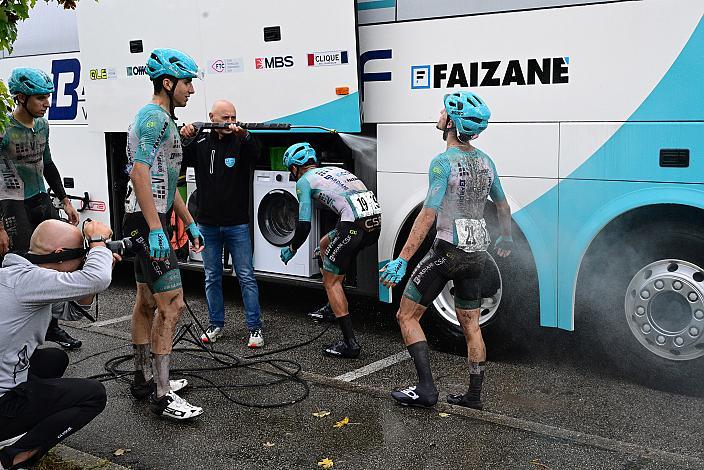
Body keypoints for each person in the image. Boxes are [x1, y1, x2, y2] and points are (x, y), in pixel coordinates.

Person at [379, 91, 513, 410]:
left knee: (406, 315)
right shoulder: (486, 161)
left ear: (451, 123)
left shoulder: (442, 163)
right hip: (477, 252)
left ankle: (426, 390)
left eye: (444, 112)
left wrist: (402, 259)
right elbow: (503, 205)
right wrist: (505, 238)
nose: (439, 114)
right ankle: (474, 396)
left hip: (447, 251)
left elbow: (428, 214)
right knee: (471, 324)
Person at [123, 48, 204, 420]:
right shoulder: (154, 119)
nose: (191, 89)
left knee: (145, 301)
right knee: (172, 303)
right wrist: (156, 228)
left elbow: (166, 182)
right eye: (187, 82)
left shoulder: (163, 119)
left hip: (146, 217)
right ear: (168, 83)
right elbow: (139, 172)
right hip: (146, 221)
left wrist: (187, 220)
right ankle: (162, 393)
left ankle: (142, 378)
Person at [0, 219, 116, 469]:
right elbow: (97, 279)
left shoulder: (18, 274)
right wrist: (98, 244)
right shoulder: (29, 281)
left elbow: (71, 311)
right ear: (61, 255)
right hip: (2, 403)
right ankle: (15, 457)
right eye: (81, 255)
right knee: (93, 395)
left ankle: (19, 429)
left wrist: (97, 263)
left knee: (54, 358)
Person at [0, 67, 82, 351]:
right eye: (40, 98)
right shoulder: (4, 130)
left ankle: (53, 327)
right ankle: (21, 331)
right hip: (12, 205)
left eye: (48, 96)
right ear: (21, 98)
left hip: (40, 200)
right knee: (25, 268)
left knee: (52, 265)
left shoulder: (43, 125)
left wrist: (65, 201)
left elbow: (48, 164)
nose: (47, 103)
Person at [281, 143, 381, 358]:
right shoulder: (335, 171)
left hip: (353, 227)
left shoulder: (304, 181)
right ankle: (330, 307)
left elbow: (304, 224)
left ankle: (350, 344)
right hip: (373, 225)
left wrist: (292, 247)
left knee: (331, 280)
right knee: (325, 244)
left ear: (295, 168)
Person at [180, 100, 265, 347]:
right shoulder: (201, 143)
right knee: (211, 276)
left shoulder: (241, 142)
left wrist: (246, 134)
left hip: (237, 223)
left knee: (246, 276)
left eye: (233, 117)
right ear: (211, 117)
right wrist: (185, 135)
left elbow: (257, 153)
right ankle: (215, 325)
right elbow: (178, 159)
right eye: (225, 118)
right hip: (207, 225)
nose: (230, 122)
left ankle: (255, 329)